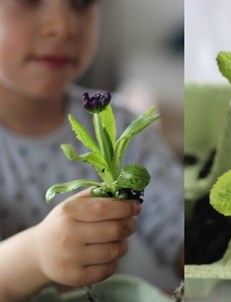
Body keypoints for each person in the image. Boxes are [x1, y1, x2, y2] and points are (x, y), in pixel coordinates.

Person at [0, 1, 183, 301]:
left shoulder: (123, 124)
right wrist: (36, 256)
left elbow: (178, 222)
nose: (63, 26)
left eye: (82, 2)